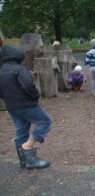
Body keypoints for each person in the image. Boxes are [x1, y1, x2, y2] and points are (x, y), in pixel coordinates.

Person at [0, 32, 52, 169]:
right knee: (45, 121)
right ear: (17, 56)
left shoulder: (2, 71)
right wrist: (35, 97)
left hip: (11, 107)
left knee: (21, 130)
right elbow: (29, 85)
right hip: (26, 104)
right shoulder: (19, 69)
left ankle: (25, 161)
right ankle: (28, 147)